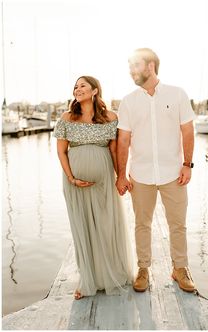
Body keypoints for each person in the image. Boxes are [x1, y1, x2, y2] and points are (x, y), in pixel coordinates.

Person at [116, 48, 196, 293]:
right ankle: (143, 269)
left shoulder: (177, 94)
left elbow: (188, 131)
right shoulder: (129, 101)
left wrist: (187, 164)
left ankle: (180, 268)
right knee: (142, 223)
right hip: (140, 175)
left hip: (174, 173)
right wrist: (121, 174)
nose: (131, 71)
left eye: (135, 66)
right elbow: (123, 141)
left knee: (178, 224)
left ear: (150, 66)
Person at [54, 75, 133, 299]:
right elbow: (61, 151)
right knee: (83, 228)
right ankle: (87, 279)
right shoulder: (67, 117)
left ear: (95, 90)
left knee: (106, 225)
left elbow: (114, 149)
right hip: (74, 183)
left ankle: (110, 275)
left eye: (82, 86)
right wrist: (71, 178)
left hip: (104, 181)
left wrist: (121, 177)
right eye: (75, 86)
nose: (77, 89)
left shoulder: (110, 117)